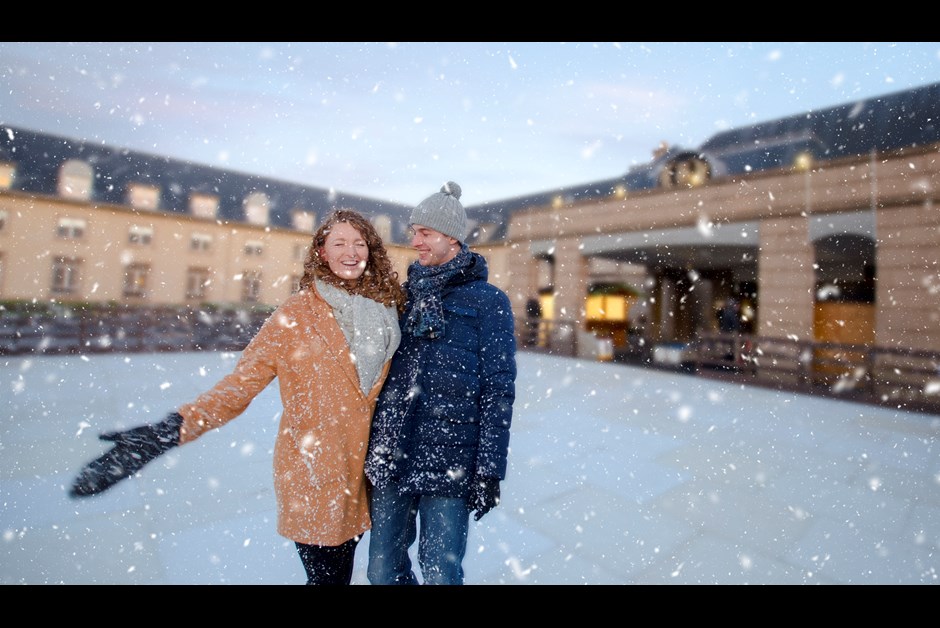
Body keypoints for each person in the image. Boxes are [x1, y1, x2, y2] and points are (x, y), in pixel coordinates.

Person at [68, 209, 406, 585]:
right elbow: (240, 385)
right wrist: (167, 431)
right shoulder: (295, 315)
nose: (351, 251)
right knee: (328, 579)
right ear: (321, 253)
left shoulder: (387, 311)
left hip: (368, 476)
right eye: (339, 242)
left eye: (359, 243)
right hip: (315, 474)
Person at [364, 181, 517, 585]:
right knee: (381, 570)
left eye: (425, 233)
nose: (415, 241)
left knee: (441, 572)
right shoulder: (401, 296)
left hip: (451, 455)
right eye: (414, 231)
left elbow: (499, 388)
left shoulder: (489, 302)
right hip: (393, 448)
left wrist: (489, 467)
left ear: (452, 237)